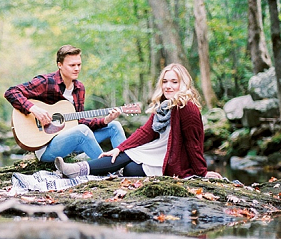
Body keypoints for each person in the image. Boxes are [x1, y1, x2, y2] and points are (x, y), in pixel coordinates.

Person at [55, 63, 223, 179]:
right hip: (158, 151)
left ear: (183, 84)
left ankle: (76, 170)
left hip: (173, 158)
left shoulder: (187, 108)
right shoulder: (164, 106)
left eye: (174, 82)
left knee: (127, 159)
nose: (168, 86)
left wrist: (201, 173)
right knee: (127, 165)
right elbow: (146, 132)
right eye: (165, 82)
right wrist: (119, 148)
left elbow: (194, 144)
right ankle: (77, 170)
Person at [4, 45, 126, 162]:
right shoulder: (47, 82)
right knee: (82, 130)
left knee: (114, 126)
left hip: (72, 143)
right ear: (60, 65)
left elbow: (79, 121)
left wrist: (105, 120)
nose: (77, 68)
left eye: (79, 64)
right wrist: (34, 109)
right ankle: (105, 167)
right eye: (72, 65)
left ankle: (125, 165)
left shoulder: (79, 88)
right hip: (46, 147)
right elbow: (11, 92)